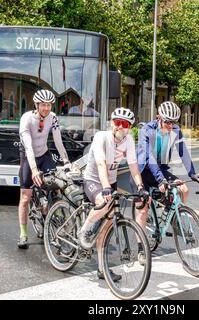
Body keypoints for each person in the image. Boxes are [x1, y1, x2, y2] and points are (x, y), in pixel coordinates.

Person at [77, 107, 149, 282]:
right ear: (111, 123)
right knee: (104, 202)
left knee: (108, 223)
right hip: (94, 180)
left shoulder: (129, 140)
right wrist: (106, 187)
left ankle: (102, 268)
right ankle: (84, 231)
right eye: (117, 123)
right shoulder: (101, 137)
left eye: (125, 124)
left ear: (129, 127)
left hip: (111, 181)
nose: (120, 127)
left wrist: (140, 187)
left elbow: (133, 166)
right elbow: (101, 164)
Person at [17, 89, 71, 249]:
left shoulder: (52, 118)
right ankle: (23, 233)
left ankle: (52, 215)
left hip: (44, 154)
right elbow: (28, 147)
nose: (46, 108)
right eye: (43, 105)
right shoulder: (26, 119)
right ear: (37, 105)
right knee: (25, 197)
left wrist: (66, 161)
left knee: (57, 187)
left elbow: (58, 141)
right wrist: (34, 170)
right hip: (28, 156)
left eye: (49, 105)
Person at [134, 101, 199, 208]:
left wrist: (192, 173)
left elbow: (183, 152)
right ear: (159, 118)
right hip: (142, 172)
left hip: (160, 170)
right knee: (143, 210)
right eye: (167, 122)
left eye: (174, 122)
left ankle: (176, 219)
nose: (171, 126)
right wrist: (161, 179)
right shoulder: (147, 130)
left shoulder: (175, 130)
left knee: (183, 190)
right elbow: (149, 157)